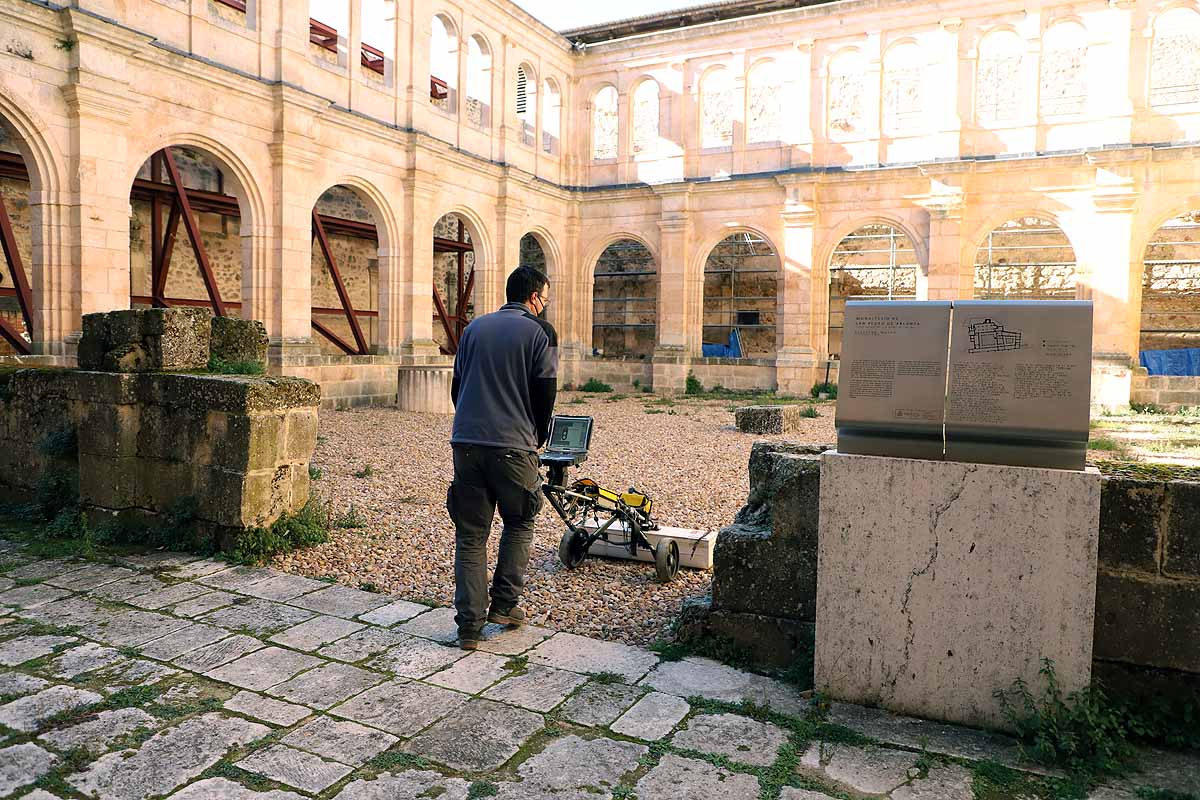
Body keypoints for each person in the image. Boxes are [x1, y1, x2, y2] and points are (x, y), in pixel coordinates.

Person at [448, 265, 557, 650]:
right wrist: (539, 435)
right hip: (514, 445)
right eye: (544, 298)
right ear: (533, 298)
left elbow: (457, 386)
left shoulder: (474, 328)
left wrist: (470, 424)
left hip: (465, 443)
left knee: (471, 535)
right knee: (520, 519)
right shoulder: (540, 333)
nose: (544, 306)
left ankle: (468, 629)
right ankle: (506, 606)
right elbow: (545, 391)